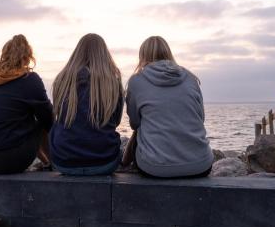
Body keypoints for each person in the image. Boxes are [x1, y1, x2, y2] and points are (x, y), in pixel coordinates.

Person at [122, 36, 213, 178]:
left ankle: (123, 164)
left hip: (155, 168)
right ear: (168, 53)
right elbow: (200, 118)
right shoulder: (190, 78)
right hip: (200, 165)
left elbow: (135, 123)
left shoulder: (136, 81)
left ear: (142, 56)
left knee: (141, 129)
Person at [0, 34, 53, 174]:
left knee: (27, 121)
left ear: (4, 55)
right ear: (27, 56)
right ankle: (51, 163)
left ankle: (48, 163)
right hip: (9, 159)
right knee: (41, 120)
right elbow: (48, 118)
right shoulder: (29, 79)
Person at [50, 33, 124, 175]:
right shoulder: (113, 82)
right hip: (105, 162)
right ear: (104, 54)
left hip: (64, 162)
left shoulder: (62, 80)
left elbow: (59, 115)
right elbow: (116, 121)